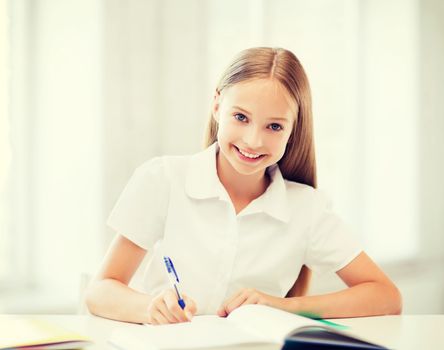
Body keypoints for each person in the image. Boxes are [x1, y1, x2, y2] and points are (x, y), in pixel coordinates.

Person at [85, 47, 402, 325]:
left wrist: (281, 307)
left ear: (293, 130)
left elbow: (385, 297)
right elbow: (100, 290)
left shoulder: (306, 208)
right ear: (217, 106)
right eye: (241, 117)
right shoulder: (163, 180)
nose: (254, 141)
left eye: (274, 126)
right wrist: (149, 307)